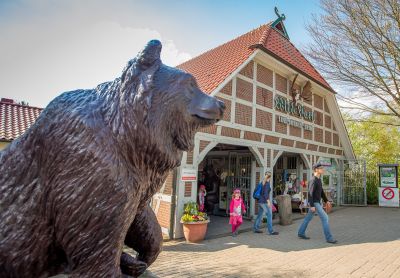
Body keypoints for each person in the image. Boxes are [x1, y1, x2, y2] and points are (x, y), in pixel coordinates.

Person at [298, 162, 337, 244]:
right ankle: (329, 238)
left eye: (322, 168)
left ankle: (301, 233)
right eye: (321, 168)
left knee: (307, 219)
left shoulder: (319, 180)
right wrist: (312, 205)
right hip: (315, 203)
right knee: (325, 218)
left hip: (317, 203)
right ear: (316, 169)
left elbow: (321, 192)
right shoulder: (313, 180)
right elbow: (310, 194)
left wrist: (327, 201)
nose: (323, 169)